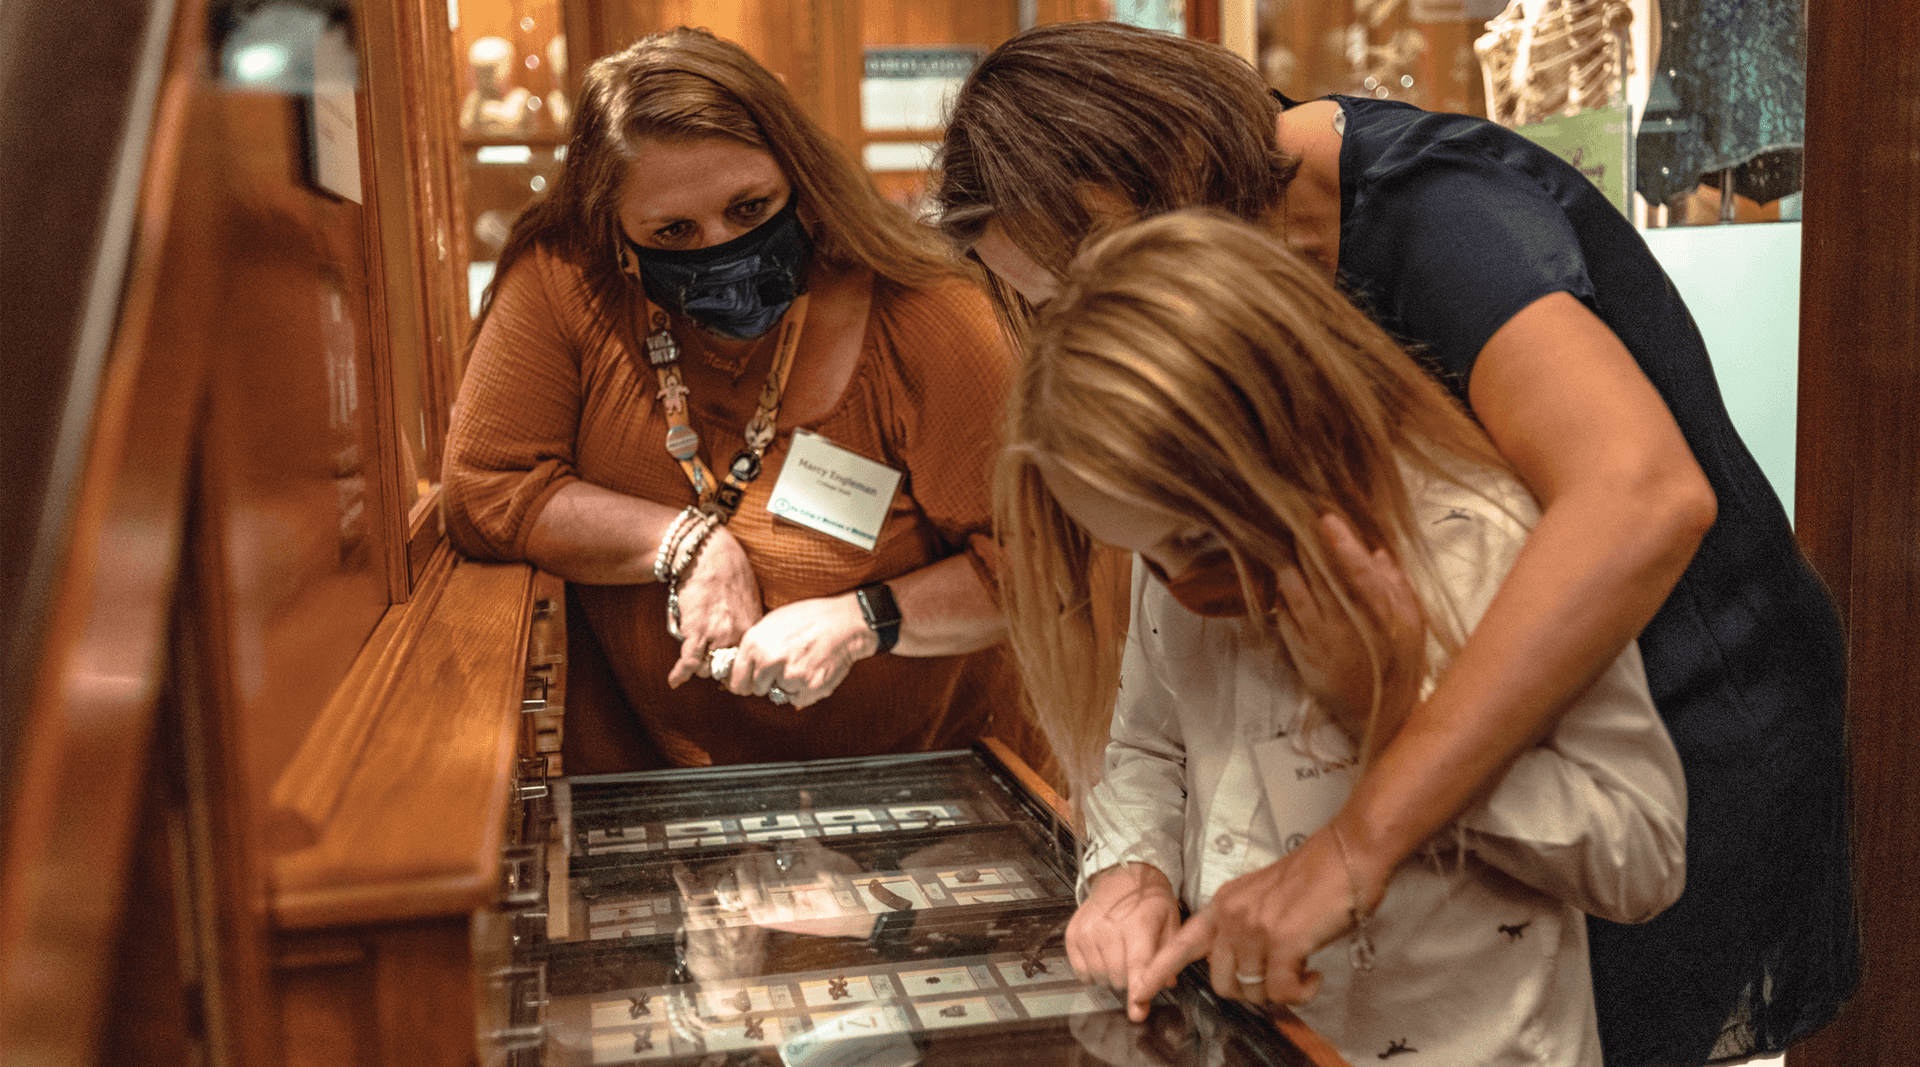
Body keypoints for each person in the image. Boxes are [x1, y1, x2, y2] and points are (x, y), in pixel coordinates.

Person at [936, 20, 1852, 1067]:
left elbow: (1637, 497)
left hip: (1676, 678)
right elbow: (1156, 725)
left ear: (1175, 173)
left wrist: (1367, 793)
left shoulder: (1438, 218)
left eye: (1100, 269)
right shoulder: (1208, 483)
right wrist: (1134, 862)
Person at [1002, 210, 1686, 1066]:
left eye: (1201, 543)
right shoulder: (1171, 547)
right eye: (1149, 552)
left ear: (1283, 429)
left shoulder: (1481, 537)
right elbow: (1148, 742)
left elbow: (1641, 854)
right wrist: (1128, 871)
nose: (1180, 583)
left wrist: (1391, 721)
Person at [443, 28, 1040, 772]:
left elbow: (1038, 570)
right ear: (619, 239)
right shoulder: (567, 281)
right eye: (674, 230)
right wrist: (683, 543)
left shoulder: (928, 313)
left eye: (751, 210)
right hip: (661, 798)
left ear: (804, 185)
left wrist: (863, 620)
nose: (720, 246)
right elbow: (486, 489)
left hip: (928, 784)